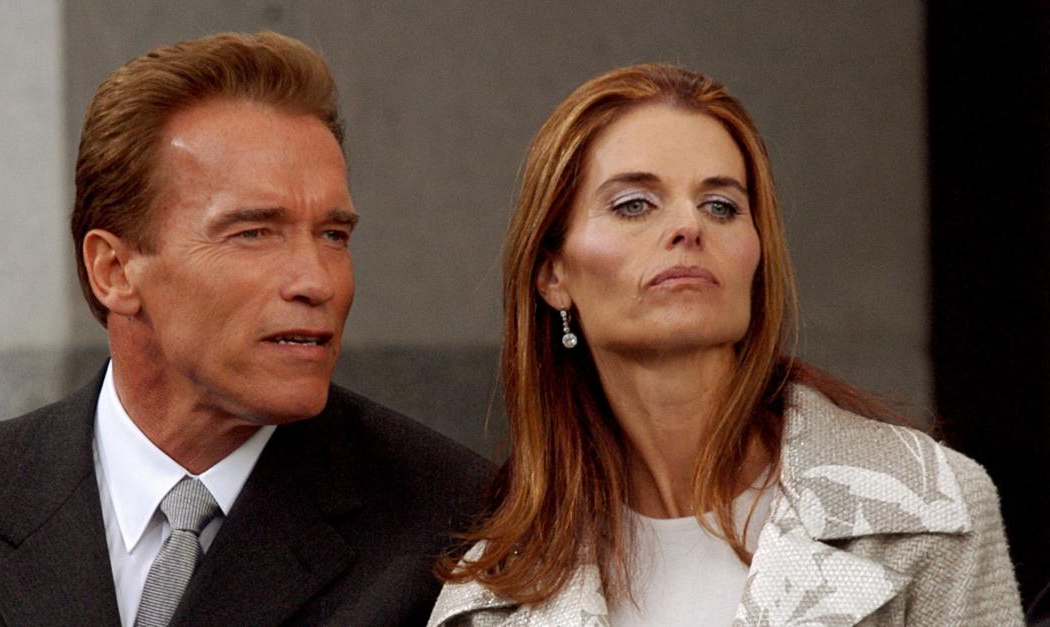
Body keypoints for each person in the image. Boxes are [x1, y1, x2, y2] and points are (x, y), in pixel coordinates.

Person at [0, 31, 489, 626]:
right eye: (254, 233)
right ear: (114, 270)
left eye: (333, 235)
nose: (317, 280)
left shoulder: (464, 533)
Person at [428, 64, 1022, 626]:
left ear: (756, 256)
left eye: (722, 205)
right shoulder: (495, 593)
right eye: (634, 204)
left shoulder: (926, 509)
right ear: (554, 274)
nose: (690, 227)